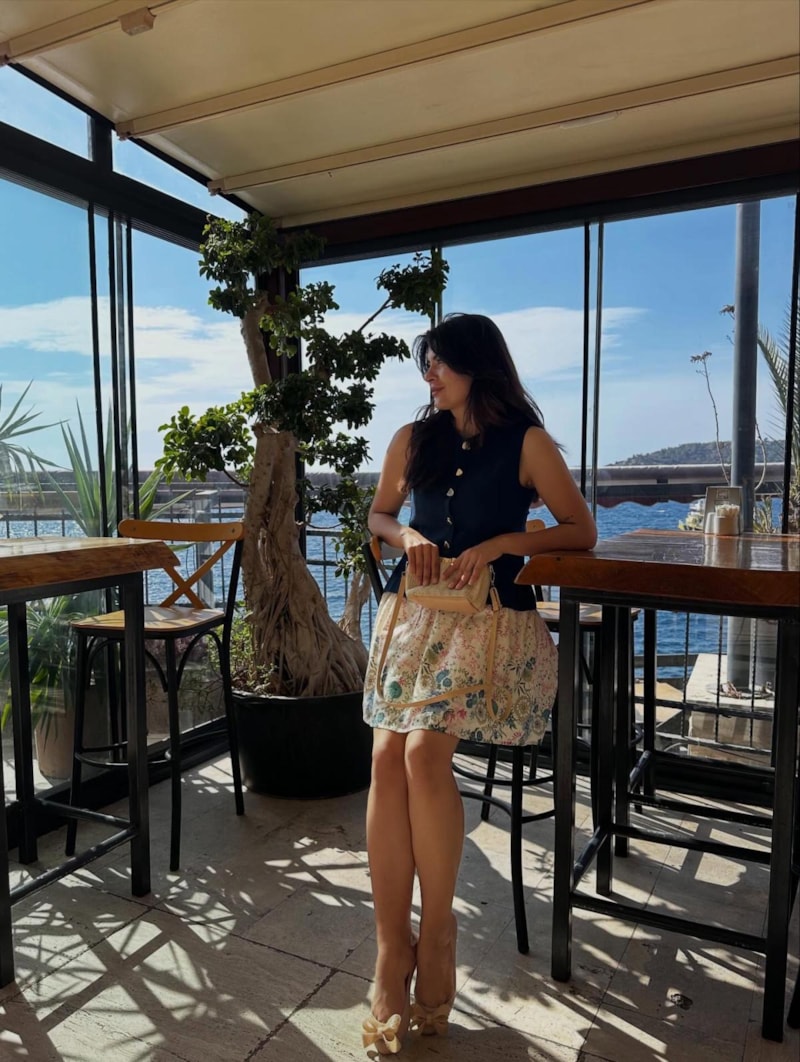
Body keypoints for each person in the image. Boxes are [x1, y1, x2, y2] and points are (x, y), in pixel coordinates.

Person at [360, 313, 597, 1055]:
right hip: (412, 618)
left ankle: (437, 933)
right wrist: (408, 535)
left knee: (421, 753)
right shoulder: (413, 438)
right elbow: (379, 514)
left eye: (439, 362)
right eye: (425, 364)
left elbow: (580, 529)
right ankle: (390, 948)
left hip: (489, 623)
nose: (428, 375)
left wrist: (499, 544)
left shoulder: (527, 442)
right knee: (384, 757)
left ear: (476, 364)